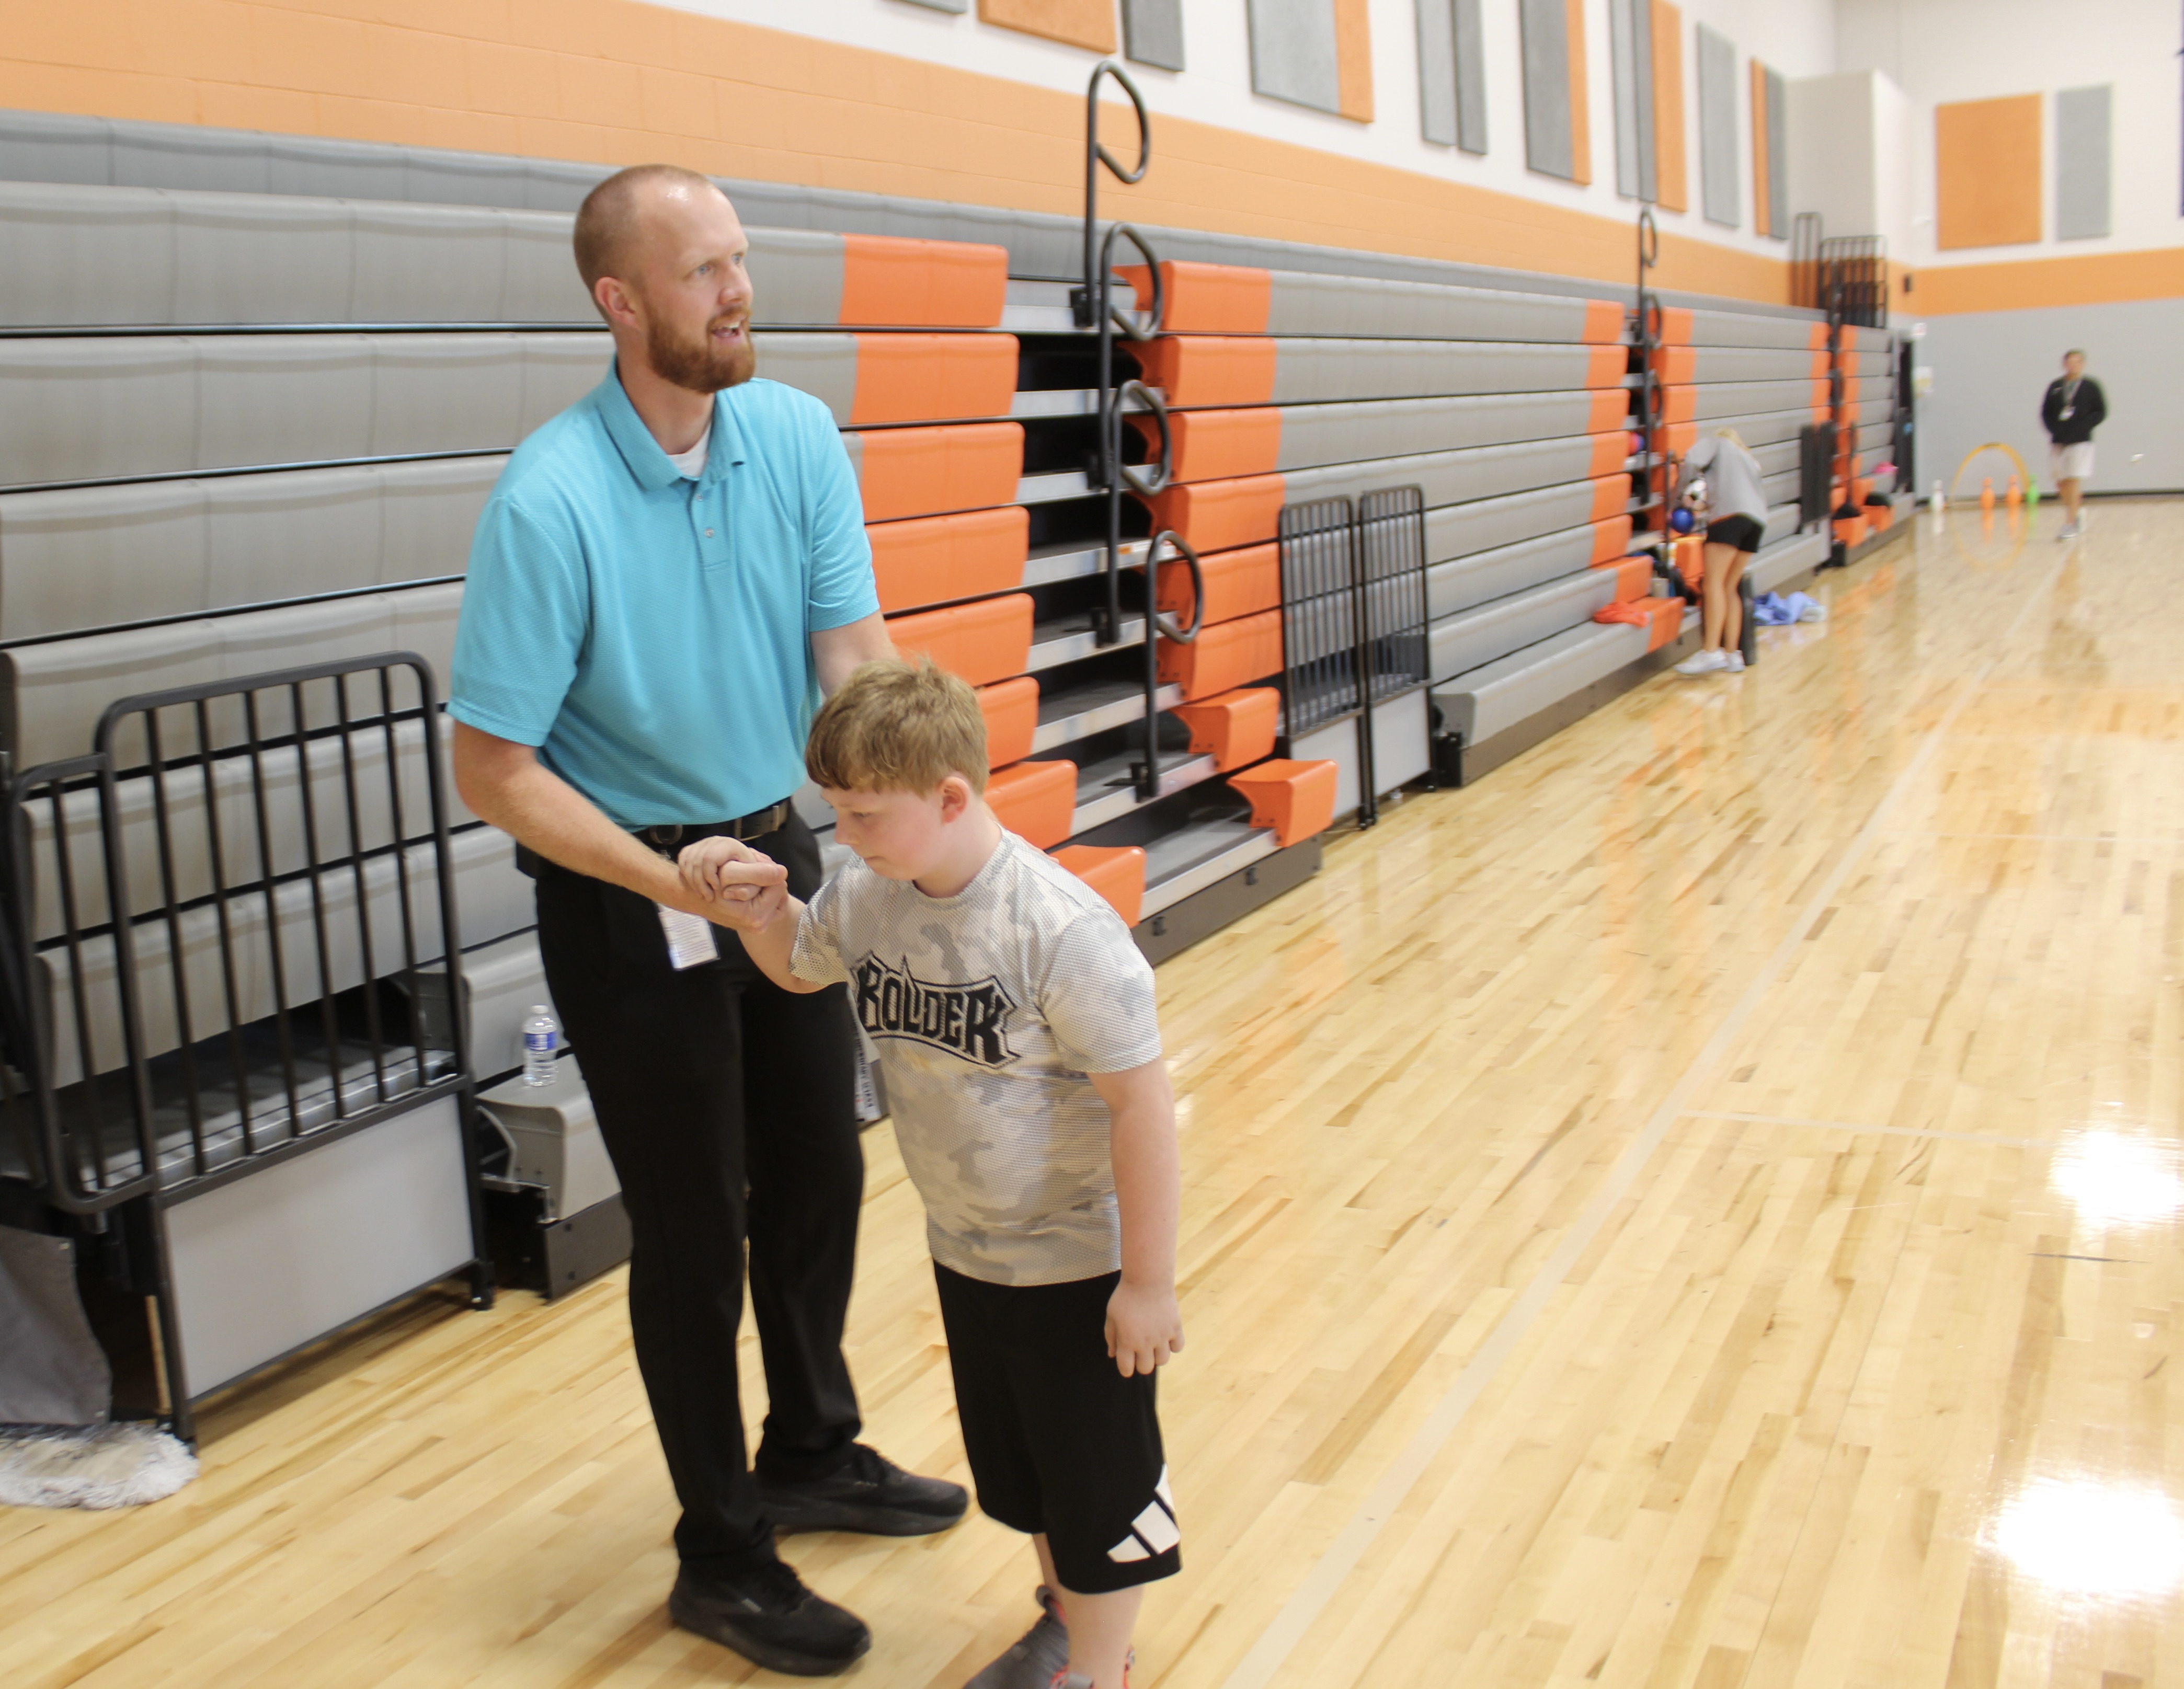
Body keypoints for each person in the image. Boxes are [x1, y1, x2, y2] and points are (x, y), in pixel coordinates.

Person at [448, 165, 966, 1677]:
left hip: (775, 856)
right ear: (620, 302)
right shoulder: (549, 497)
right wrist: (662, 877)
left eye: (740, 260)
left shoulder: (792, 434)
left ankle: (810, 1445)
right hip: (632, 895)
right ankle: (720, 1552)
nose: (739, 291)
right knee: (694, 1228)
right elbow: (493, 766)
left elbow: (851, 650)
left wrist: (907, 823)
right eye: (704, 270)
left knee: (818, 1169)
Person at [680, 659, 1184, 1689]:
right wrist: (760, 909)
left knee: (1098, 1489)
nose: (843, 835)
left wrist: (1147, 1282)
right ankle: (1068, 1628)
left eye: (864, 814)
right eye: (837, 810)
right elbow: (797, 965)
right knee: (1028, 1472)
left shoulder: (1061, 931)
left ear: (952, 797)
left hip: (1076, 1268)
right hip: (966, 1250)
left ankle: (1100, 1668)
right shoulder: (869, 894)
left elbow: (1142, 1109)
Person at [1671, 428, 1768, 677]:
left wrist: (1675, 500)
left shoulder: (1717, 443)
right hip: (1757, 522)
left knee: (1712, 584)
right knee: (1730, 587)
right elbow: (1737, 495)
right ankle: (1732, 655)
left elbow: (1690, 463)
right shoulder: (1749, 460)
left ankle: (1711, 651)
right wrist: (1701, 506)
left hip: (1729, 518)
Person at [2041, 349, 2106, 541]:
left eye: (2078, 362)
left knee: (2073, 480)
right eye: (2070, 362)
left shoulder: (2091, 386)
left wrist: (2083, 426)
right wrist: (2055, 430)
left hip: (2081, 441)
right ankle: (2077, 512)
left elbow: (2101, 411)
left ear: (2083, 364)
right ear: (2064, 365)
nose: (2074, 366)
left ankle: (2070, 524)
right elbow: (2046, 413)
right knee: (2061, 482)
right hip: (2059, 441)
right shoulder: (2055, 387)